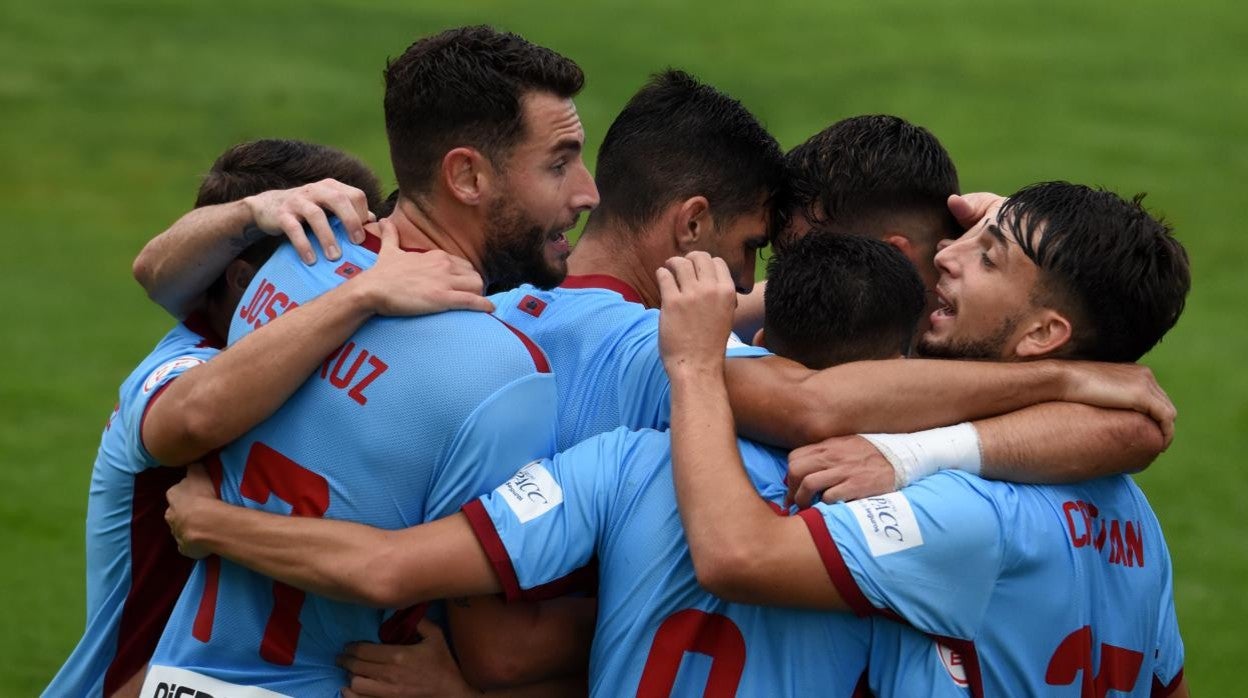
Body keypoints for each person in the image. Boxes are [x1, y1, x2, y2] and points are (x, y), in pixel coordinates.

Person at [161, 232, 931, 696]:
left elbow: (389, 571)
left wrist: (213, 523)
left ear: (759, 338)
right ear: (900, 364)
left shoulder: (625, 465)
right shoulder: (939, 511)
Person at [139, 26, 598, 697]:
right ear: (466, 175)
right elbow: (493, 650)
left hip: (177, 679)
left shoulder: (295, 256)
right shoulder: (503, 374)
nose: (586, 192)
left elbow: (156, 279)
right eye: (559, 164)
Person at [659, 182, 1190, 697]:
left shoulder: (963, 508)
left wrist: (693, 365)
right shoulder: (1136, 517)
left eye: (987, 257)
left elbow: (742, 555)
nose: (943, 254)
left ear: (1043, 335)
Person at [43, 138, 486, 698]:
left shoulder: (324, 367)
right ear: (243, 280)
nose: (366, 274)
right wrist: (358, 294)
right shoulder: (187, 367)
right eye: (341, 266)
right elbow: (194, 414)